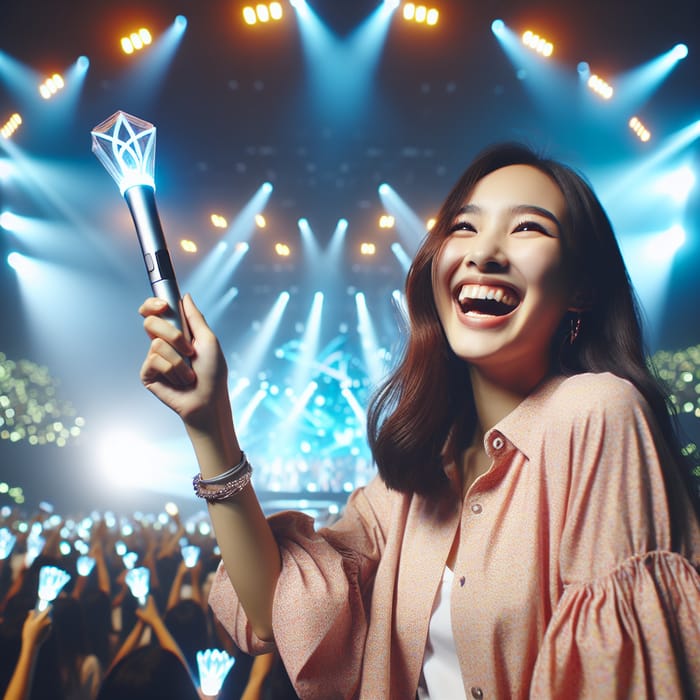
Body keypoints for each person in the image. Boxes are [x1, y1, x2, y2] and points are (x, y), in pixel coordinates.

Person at [138, 142, 700, 699]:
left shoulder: (598, 412)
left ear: (582, 288)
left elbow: (619, 674)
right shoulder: (409, 485)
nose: (485, 253)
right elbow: (272, 614)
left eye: (528, 228)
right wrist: (210, 426)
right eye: (464, 227)